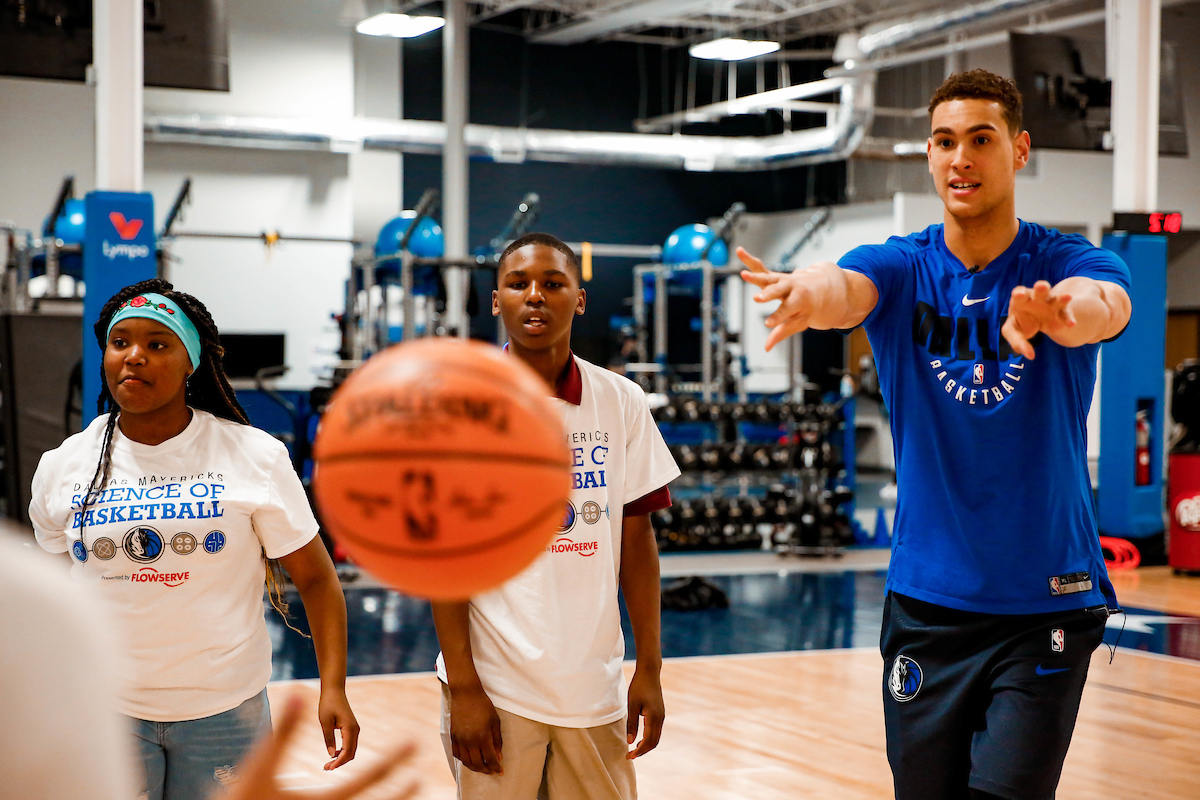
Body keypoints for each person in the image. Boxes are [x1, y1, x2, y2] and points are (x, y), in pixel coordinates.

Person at [739, 70, 1132, 800]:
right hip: (928, 604)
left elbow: (1104, 304)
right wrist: (806, 293)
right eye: (946, 141)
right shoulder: (904, 265)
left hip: (1044, 602)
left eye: (981, 140)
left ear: (1017, 150)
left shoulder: (1063, 263)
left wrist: (1059, 317)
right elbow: (845, 288)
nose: (961, 158)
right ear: (928, 154)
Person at [29, 278, 360, 800]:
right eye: (121, 343)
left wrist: (334, 686)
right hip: (106, 708)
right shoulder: (63, 465)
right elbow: (49, 595)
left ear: (192, 363)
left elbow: (318, 579)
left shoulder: (255, 456)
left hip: (225, 710)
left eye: (157, 345)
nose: (134, 357)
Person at [431, 232, 680, 800]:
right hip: (494, 689)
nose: (535, 296)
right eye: (518, 284)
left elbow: (637, 545)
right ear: (496, 302)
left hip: (592, 687)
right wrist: (465, 687)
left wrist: (650, 668)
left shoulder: (621, 401)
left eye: (553, 284)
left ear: (580, 299)